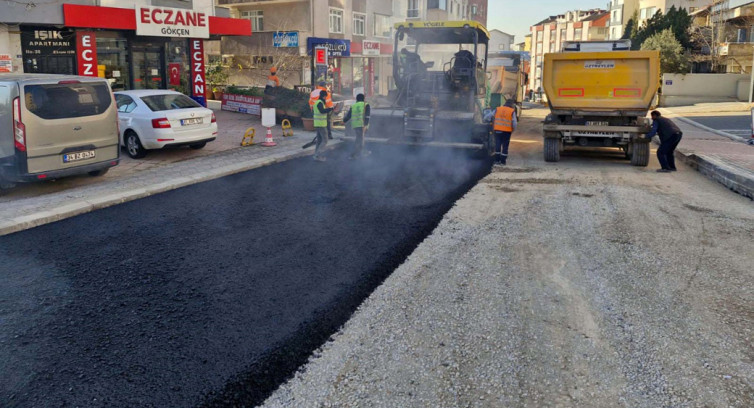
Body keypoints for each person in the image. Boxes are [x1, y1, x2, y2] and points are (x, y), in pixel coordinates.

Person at [484, 99, 517, 165]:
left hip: (498, 130)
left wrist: (485, 119)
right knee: (505, 146)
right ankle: (503, 161)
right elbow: (514, 123)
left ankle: (497, 160)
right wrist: (513, 130)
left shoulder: (498, 109)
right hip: (507, 132)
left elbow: (488, 116)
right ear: (511, 105)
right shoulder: (512, 111)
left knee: (498, 145)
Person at [343, 93, 371, 158]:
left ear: (357, 99)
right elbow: (367, 116)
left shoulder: (353, 106)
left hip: (356, 125)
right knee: (360, 139)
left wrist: (344, 120)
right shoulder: (366, 105)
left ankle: (361, 151)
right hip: (363, 124)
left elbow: (348, 116)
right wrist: (365, 125)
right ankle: (357, 153)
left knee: (359, 138)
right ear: (363, 99)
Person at [311, 90, 334, 162]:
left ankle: (316, 155)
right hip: (321, 125)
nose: (325, 98)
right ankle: (317, 155)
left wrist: (328, 110)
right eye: (325, 97)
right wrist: (330, 109)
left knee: (319, 140)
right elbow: (322, 111)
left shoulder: (317, 102)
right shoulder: (320, 103)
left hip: (318, 124)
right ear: (324, 96)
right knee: (325, 140)